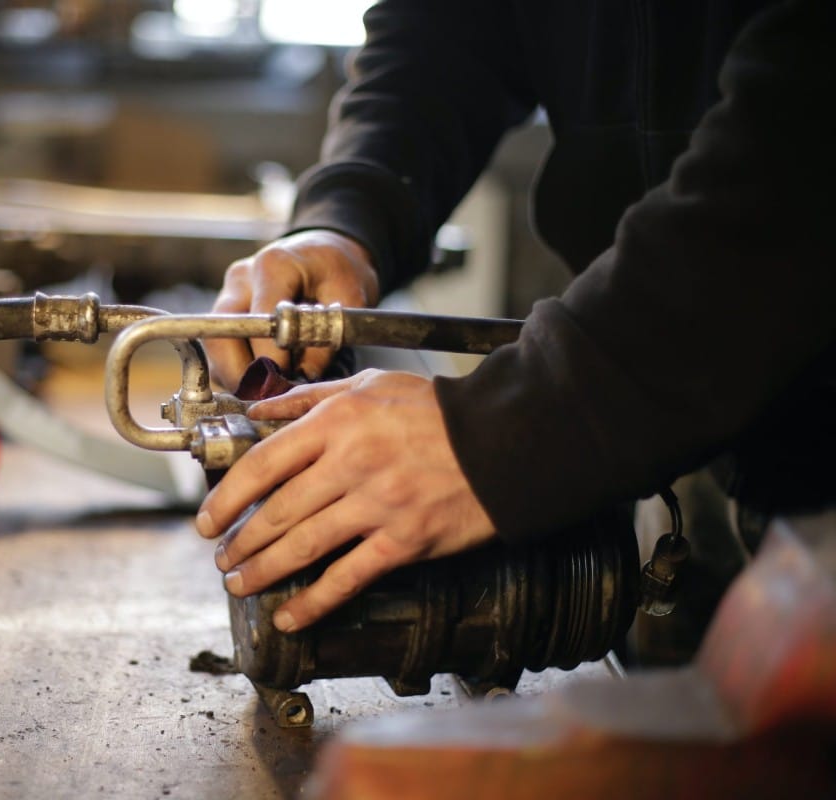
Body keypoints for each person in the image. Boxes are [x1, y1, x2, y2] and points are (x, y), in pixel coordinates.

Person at [194, 0, 836, 635]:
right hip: (680, 432)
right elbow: (452, 28)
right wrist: (348, 213)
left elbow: (807, 137)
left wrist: (516, 430)